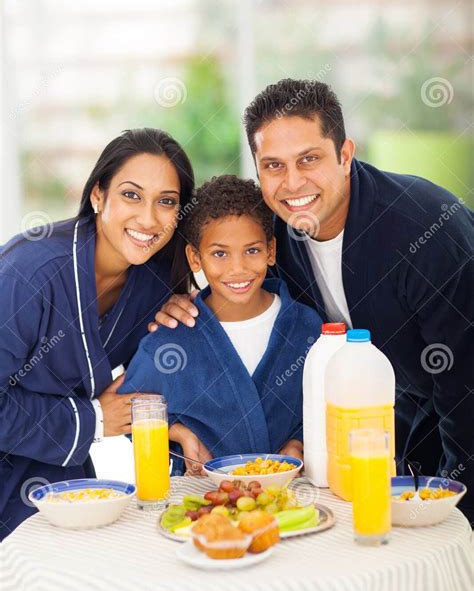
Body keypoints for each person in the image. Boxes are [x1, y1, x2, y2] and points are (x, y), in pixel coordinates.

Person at [153, 80, 474, 523]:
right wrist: (190, 302)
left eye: (309, 159)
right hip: (400, 411)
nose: (292, 182)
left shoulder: (427, 230)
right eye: (273, 165)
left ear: (345, 155)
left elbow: (465, 386)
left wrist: (462, 518)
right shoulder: (276, 238)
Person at [0, 127, 195, 538]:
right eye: (131, 195)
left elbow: (143, 390)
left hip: (61, 482)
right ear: (97, 196)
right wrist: (93, 419)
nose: (148, 218)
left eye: (166, 202)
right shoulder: (27, 275)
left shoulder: (155, 285)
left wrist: (173, 433)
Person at [119, 175, 323, 474]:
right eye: (219, 254)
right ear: (195, 257)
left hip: (293, 500)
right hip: (202, 506)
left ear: (271, 251)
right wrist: (180, 435)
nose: (237, 269)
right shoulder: (169, 340)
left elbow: (329, 407)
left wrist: (298, 443)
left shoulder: (307, 327)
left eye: (252, 250)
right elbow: (130, 414)